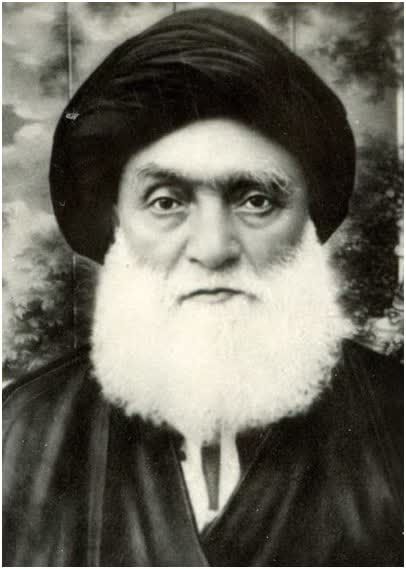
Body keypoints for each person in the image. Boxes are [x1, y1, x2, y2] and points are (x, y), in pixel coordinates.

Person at [3, 8, 403, 567]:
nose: (213, 248)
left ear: (309, 220)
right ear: (116, 224)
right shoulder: (18, 436)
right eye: (166, 202)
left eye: (256, 200)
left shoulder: (394, 418)